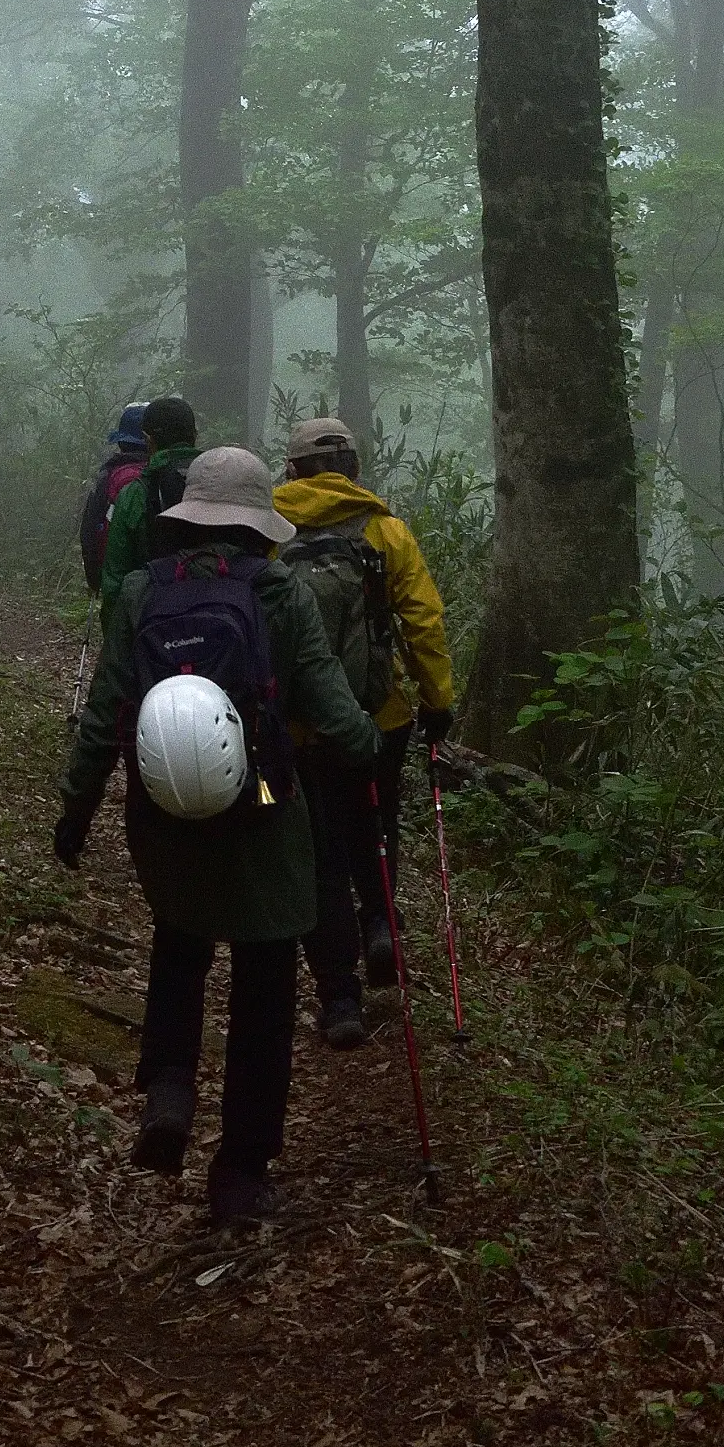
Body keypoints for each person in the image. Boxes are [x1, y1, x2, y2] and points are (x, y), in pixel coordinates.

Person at [53, 443, 381, 1226]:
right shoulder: (279, 592)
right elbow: (334, 709)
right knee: (264, 993)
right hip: (265, 810)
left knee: (179, 947)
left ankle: (168, 1088)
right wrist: (371, 749)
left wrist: (75, 808)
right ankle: (239, 1170)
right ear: (256, 523)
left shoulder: (139, 591)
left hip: (164, 815)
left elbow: (104, 713)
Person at [272, 416, 456, 1052]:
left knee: (318, 852)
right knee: (375, 825)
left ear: (292, 470)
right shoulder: (386, 531)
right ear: (352, 467)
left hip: (300, 728)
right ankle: (379, 922)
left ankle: (339, 998)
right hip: (381, 717)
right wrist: (439, 701)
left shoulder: (271, 532)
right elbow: (423, 623)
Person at [96, 392, 198, 603]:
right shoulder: (223, 481)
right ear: (195, 436)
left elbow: (117, 579)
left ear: (149, 440)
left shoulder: (134, 493)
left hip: (155, 621)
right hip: (224, 622)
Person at [76, 402, 150, 591]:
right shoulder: (165, 475)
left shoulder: (108, 476)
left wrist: (95, 581)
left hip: (116, 579)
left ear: (120, 441)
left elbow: (89, 530)